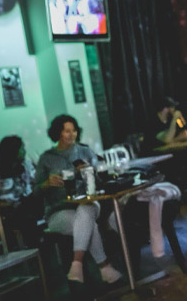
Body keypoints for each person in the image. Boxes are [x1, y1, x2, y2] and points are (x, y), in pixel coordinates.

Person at [35, 114, 123, 284]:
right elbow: (36, 192)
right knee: (87, 224)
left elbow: (102, 181)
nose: (71, 134)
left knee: (86, 209)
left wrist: (90, 172)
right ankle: (104, 268)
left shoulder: (85, 151)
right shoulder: (47, 158)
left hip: (89, 203)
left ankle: (77, 264)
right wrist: (46, 183)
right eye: (67, 131)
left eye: (74, 131)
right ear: (58, 133)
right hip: (58, 210)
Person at [0, 136, 43, 246]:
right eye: (21, 148)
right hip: (9, 213)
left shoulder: (26, 166)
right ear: (13, 151)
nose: (24, 151)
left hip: (29, 204)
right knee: (27, 217)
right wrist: (5, 205)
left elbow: (37, 182)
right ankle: (36, 249)